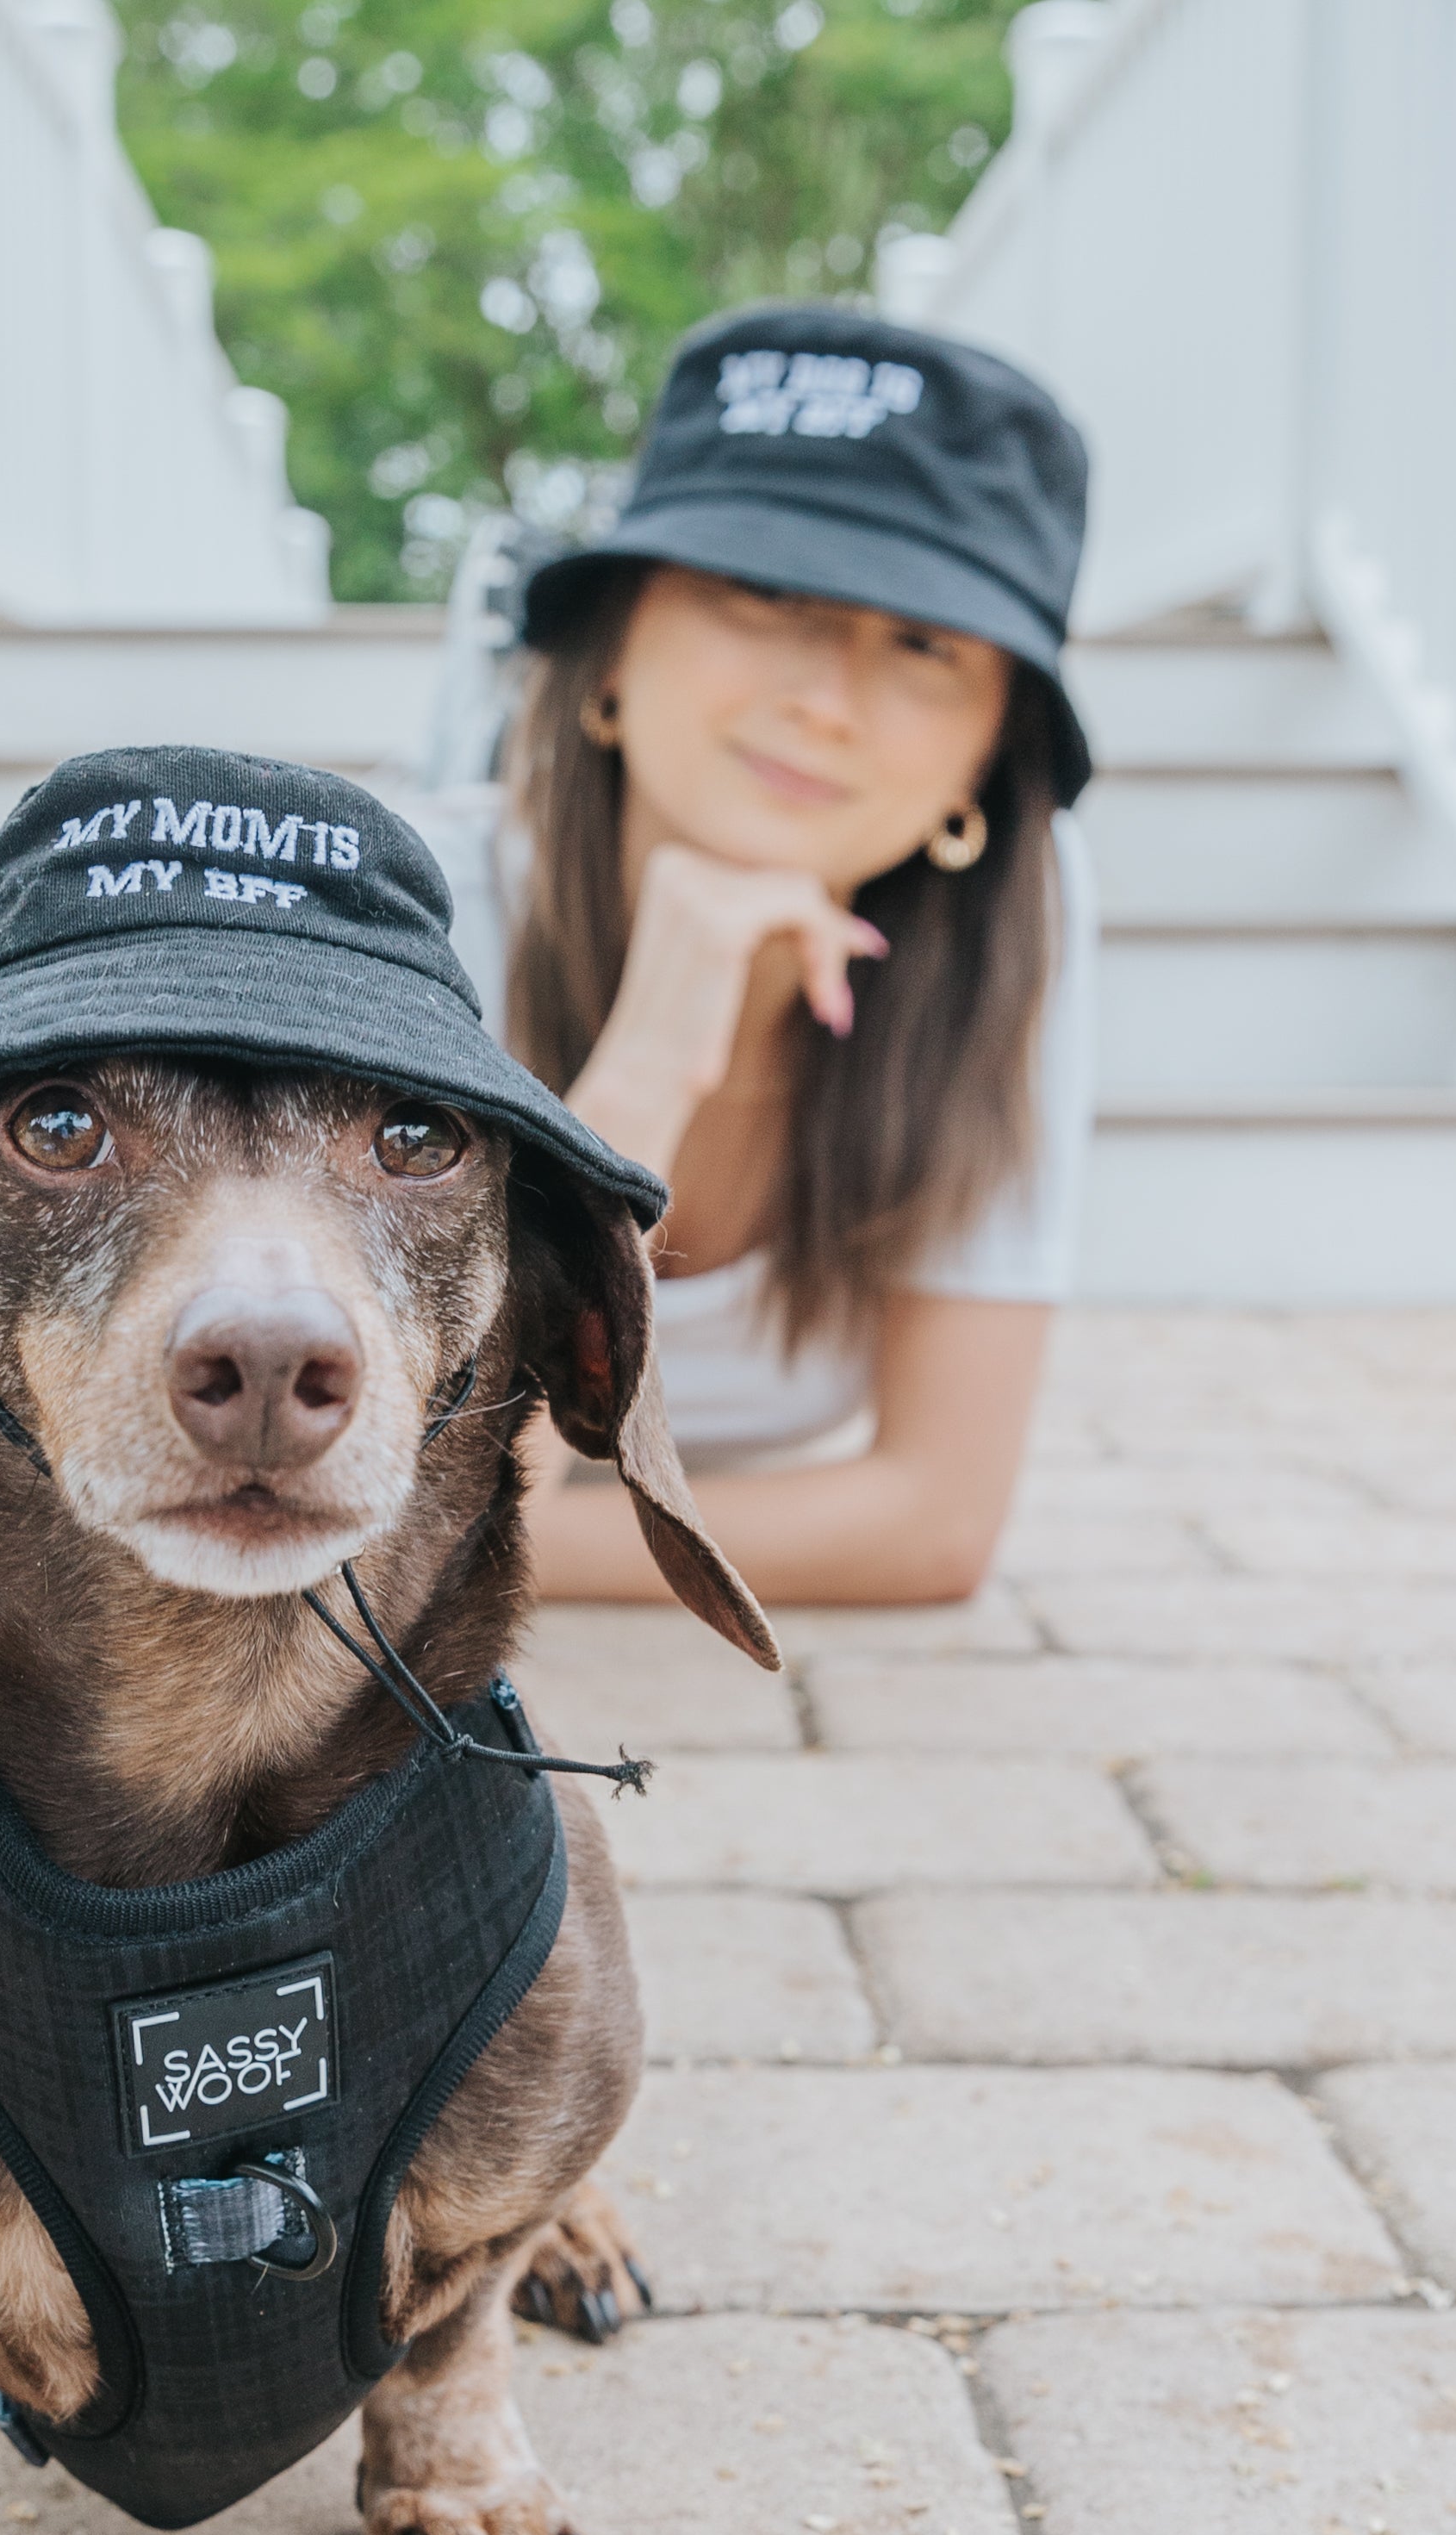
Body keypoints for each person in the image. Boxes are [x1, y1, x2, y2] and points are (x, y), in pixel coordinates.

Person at [425, 304, 1097, 1607]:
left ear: (984, 760)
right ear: (611, 650)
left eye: (921, 644)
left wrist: (455, 1553)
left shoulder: (1018, 929)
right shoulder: (421, 913)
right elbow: (418, 1491)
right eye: (766, 593)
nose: (824, 699)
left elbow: (935, 1520)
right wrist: (641, 1077)